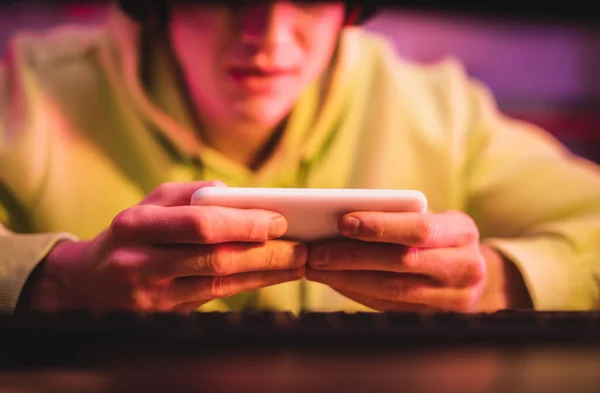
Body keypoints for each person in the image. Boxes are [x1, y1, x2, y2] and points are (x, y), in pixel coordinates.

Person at [1, 0, 599, 315]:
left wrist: (497, 285)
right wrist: (58, 281)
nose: (269, 34)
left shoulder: (441, 111)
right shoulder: (29, 92)